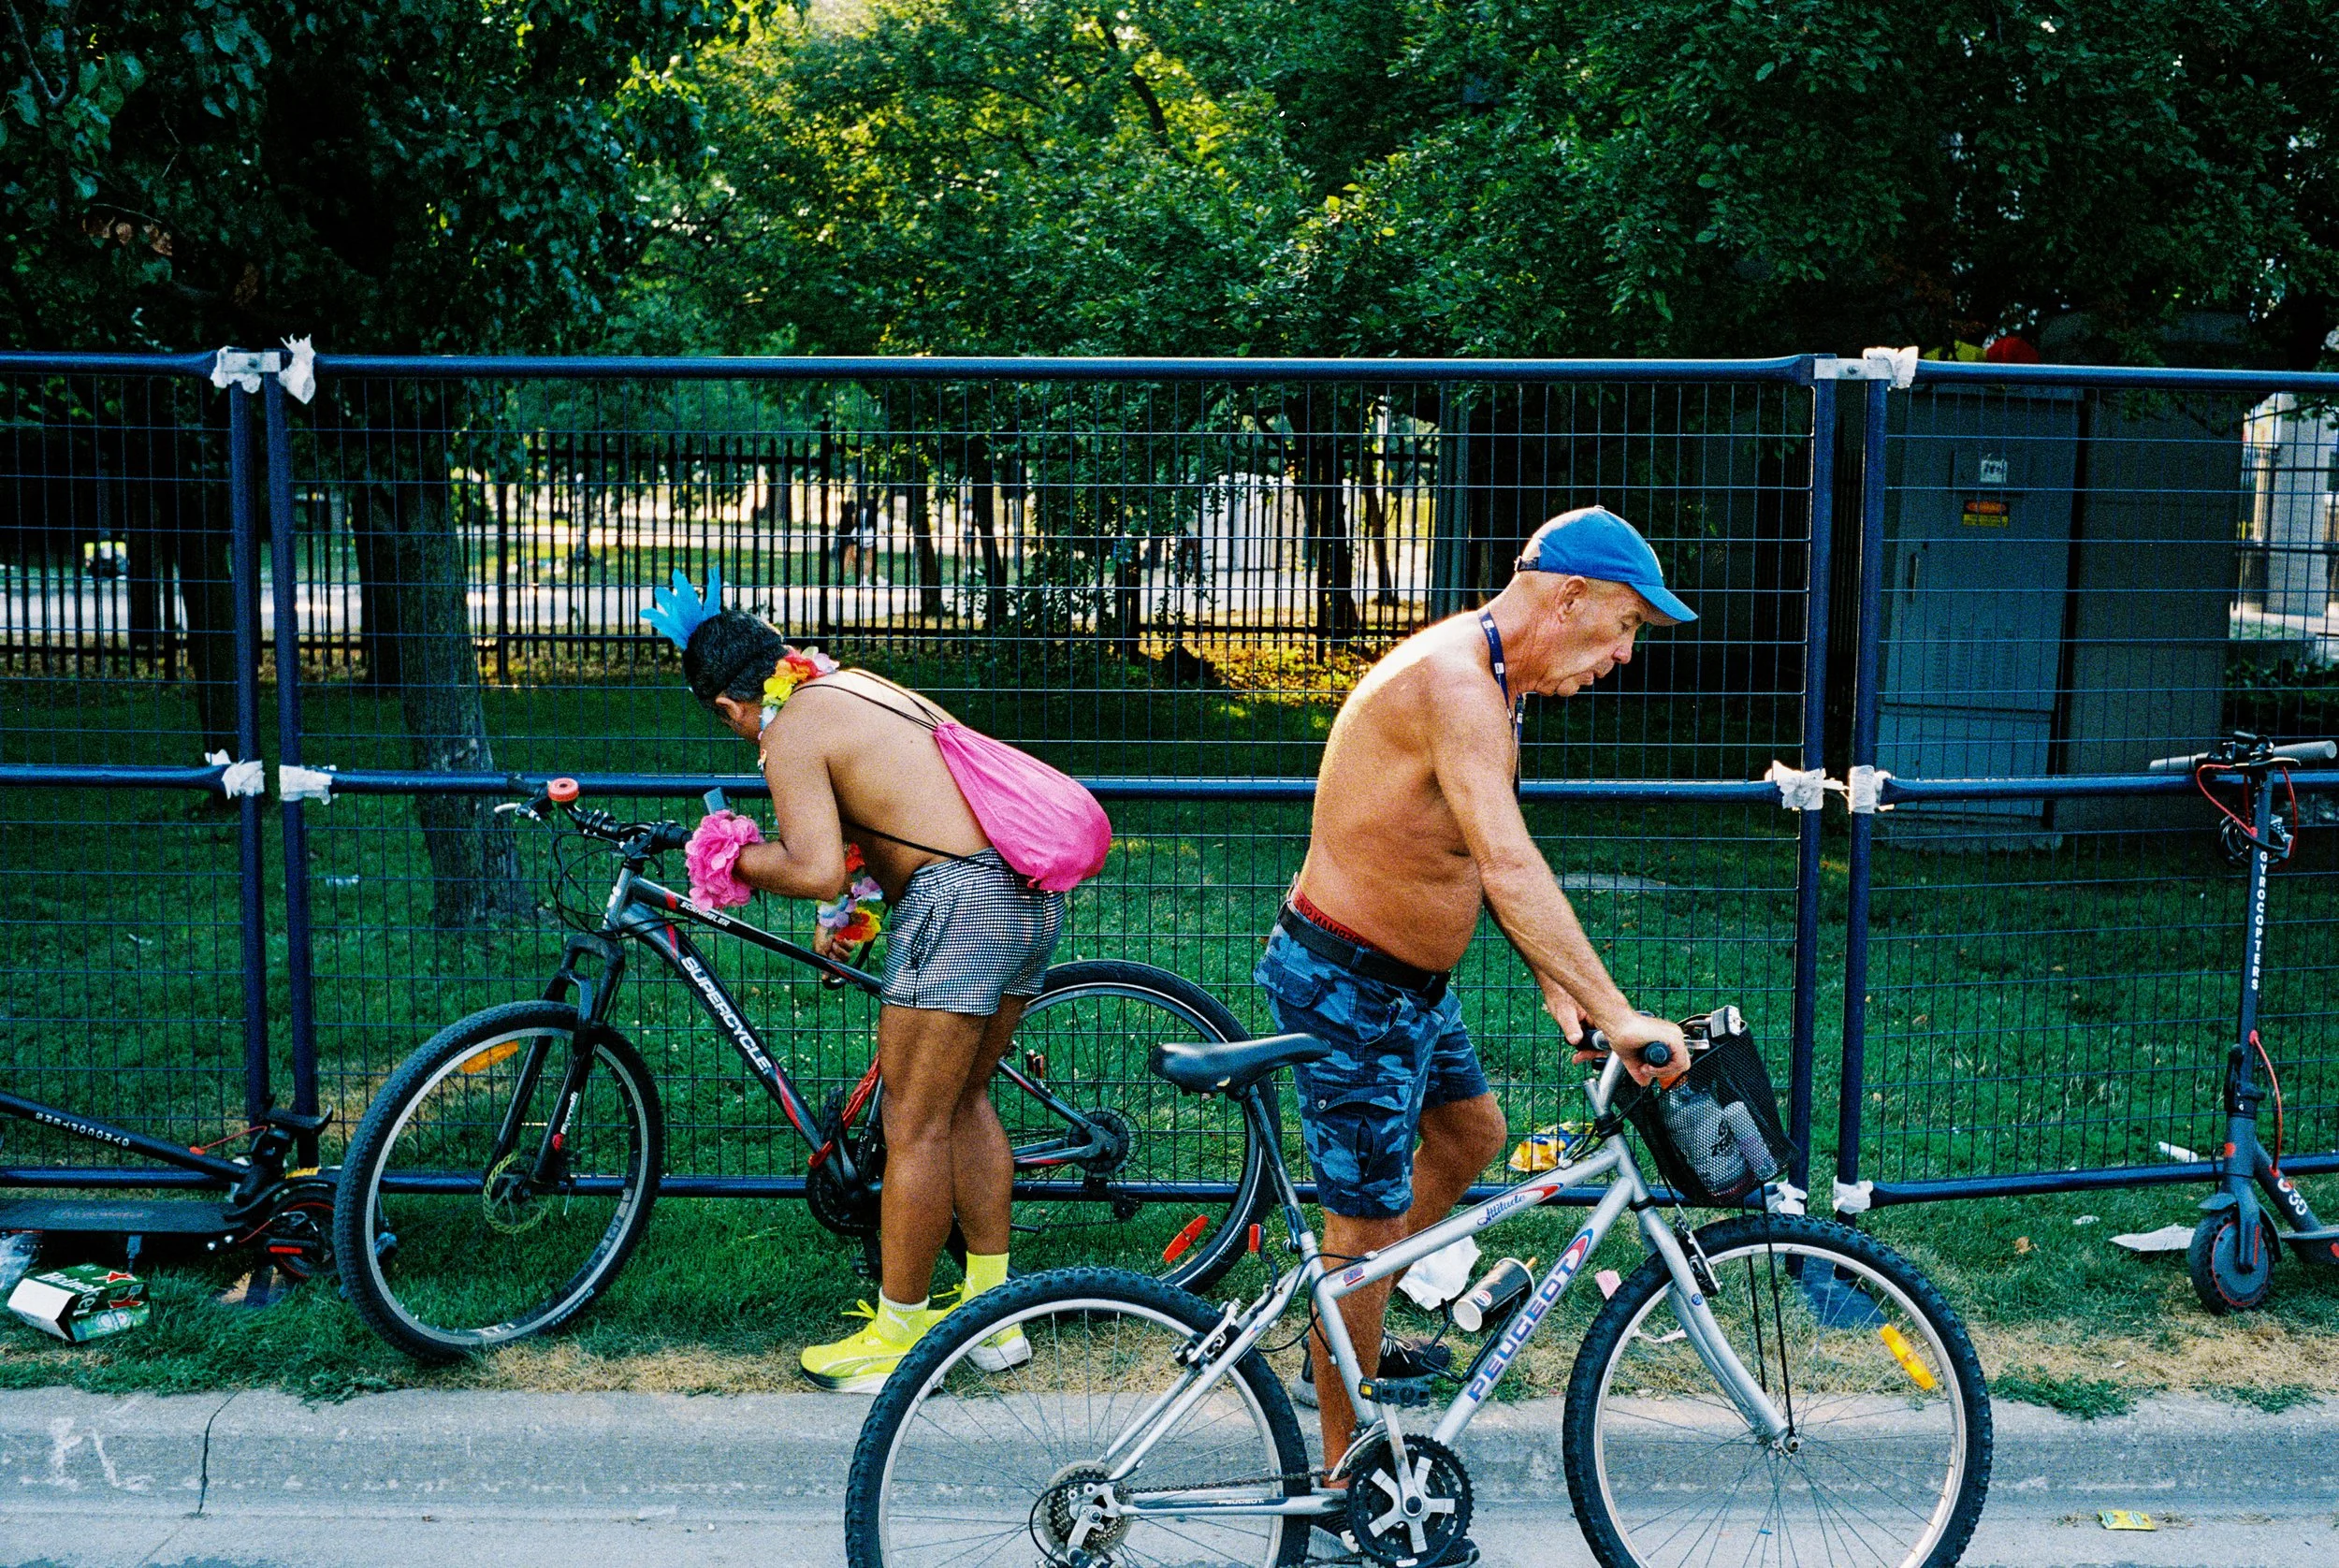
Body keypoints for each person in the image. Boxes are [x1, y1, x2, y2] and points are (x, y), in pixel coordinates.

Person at [1255, 506, 1695, 1542]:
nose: (1625, 654)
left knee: (1469, 1136)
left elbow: (1469, 846)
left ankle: (1350, 1334)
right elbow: (1505, 859)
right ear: (1568, 597)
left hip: (1403, 981)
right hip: (1350, 984)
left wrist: (1565, 989)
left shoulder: (1495, 679)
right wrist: (1616, 1011)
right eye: (1625, 624)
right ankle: (1342, 1485)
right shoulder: (1459, 683)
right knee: (1361, 1232)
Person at [641, 573, 1068, 1392]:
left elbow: (807, 867)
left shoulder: (789, 727)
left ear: (729, 707)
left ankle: (899, 1342)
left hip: (956, 904)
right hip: (1024, 894)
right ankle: (994, 1319)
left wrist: (724, 856)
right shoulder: (857, 686)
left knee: (913, 1124)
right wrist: (851, 919)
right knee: (965, 1103)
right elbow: (880, 827)